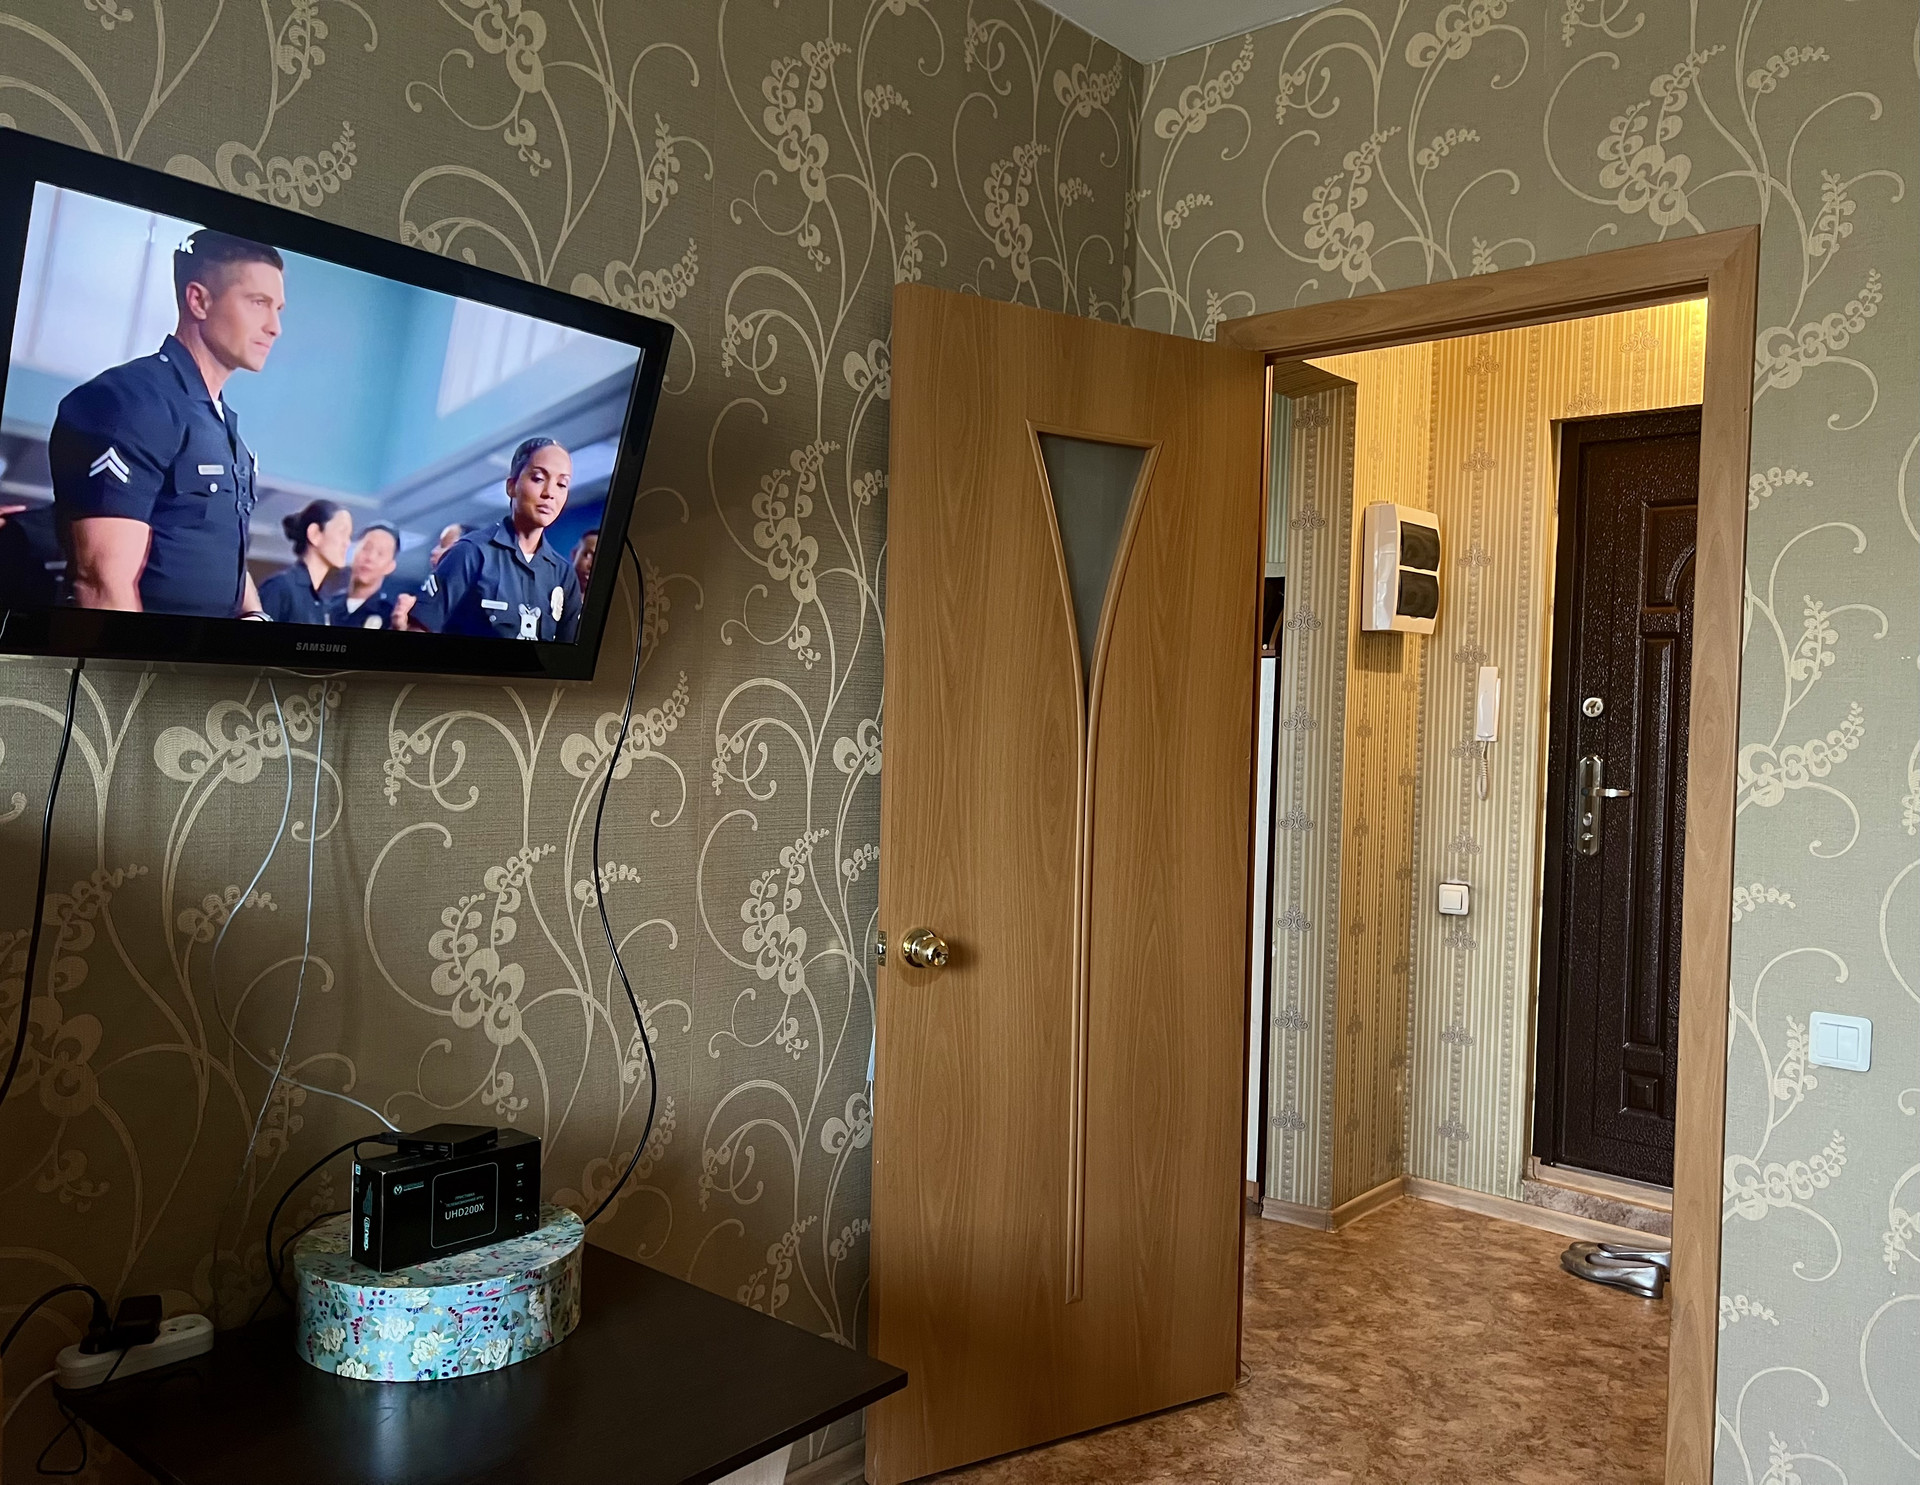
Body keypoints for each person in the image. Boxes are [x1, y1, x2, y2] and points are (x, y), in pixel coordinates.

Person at [47, 230, 283, 617]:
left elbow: (216, 550)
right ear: (199, 300)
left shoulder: (224, 428)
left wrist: (254, 615)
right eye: (259, 303)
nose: (275, 326)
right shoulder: (129, 400)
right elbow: (102, 584)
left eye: (278, 309)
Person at [394, 438, 582, 642]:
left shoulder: (563, 575)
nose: (550, 493)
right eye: (538, 478)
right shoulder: (470, 553)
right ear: (511, 486)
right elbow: (420, 630)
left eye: (562, 484)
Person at [257, 500, 351, 625]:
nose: (347, 543)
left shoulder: (324, 602)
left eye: (349, 536)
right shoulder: (280, 587)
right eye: (342, 532)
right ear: (315, 533)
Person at [329, 520, 402, 628]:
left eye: (380, 553)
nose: (370, 558)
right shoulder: (327, 605)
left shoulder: (390, 617)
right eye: (366, 548)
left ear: (390, 567)